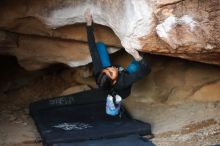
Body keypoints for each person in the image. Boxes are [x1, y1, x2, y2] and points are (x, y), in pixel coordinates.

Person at [85, 11, 151, 100]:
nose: (111, 68)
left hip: (109, 81)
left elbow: (92, 49)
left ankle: (110, 71)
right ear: (114, 81)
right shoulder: (123, 82)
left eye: (107, 69)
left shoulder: (99, 73)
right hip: (123, 89)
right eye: (111, 72)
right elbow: (146, 71)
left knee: (99, 46)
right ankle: (141, 54)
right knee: (135, 65)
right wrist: (137, 57)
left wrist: (89, 24)